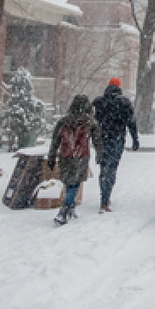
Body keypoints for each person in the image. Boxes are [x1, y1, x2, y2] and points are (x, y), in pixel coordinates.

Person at [47, 95, 102, 226]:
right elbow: (97, 140)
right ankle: (64, 209)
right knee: (75, 183)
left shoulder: (63, 122)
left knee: (69, 182)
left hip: (65, 155)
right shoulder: (90, 122)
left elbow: (55, 141)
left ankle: (70, 208)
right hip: (81, 156)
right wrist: (100, 154)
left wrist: (52, 156)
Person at [92, 77, 139, 213]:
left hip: (101, 139)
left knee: (103, 167)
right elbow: (131, 122)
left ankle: (103, 196)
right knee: (112, 168)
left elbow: (91, 121)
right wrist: (135, 139)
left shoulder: (98, 102)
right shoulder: (124, 103)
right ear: (119, 87)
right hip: (117, 139)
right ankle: (106, 198)